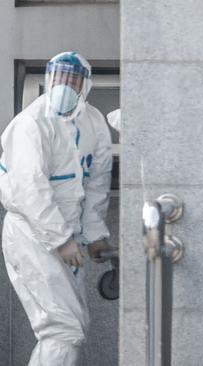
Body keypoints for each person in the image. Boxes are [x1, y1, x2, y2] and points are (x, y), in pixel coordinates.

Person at [0, 52, 113, 365]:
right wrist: (61, 240)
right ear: (49, 79)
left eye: (72, 79)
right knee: (62, 329)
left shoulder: (94, 123)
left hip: (69, 237)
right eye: (59, 77)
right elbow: (28, 190)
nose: (65, 85)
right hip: (31, 235)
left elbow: (96, 186)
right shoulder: (30, 125)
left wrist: (95, 235)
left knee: (73, 327)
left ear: (84, 84)